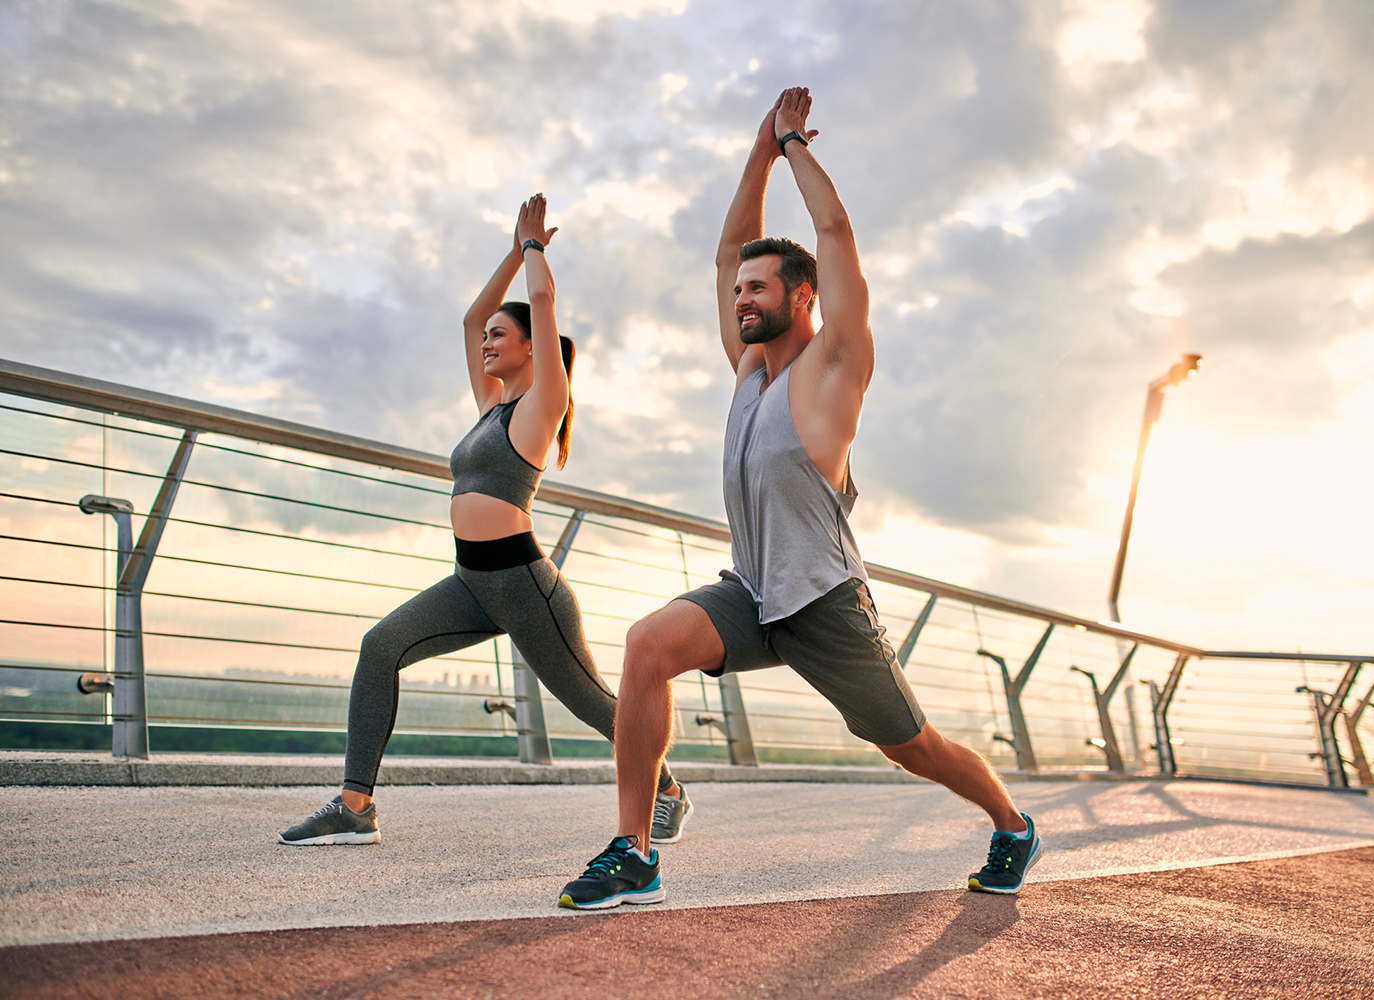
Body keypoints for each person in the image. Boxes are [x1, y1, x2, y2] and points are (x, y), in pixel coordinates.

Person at [557, 90, 1040, 910]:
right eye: (740, 289)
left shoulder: (833, 370)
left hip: (823, 602)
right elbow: (723, 255)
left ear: (803, 296)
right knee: (647, 646)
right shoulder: (749, 372)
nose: (741, 297)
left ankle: (1013, 824)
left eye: (758, 288)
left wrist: (793, 145)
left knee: (913, 748)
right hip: (752, 591)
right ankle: (635, 853)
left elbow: (837, 235)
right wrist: (757, 154)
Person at [279, 194, 691, 847]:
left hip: (527, 589)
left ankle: (668, 789)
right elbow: (473, 317)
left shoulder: (539, 407)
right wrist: (509, 248)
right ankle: (354, 806)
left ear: (533, 348)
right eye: (491, 338)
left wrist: (534, 249)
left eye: (503, 336)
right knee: (380, 647)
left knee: (591, 703)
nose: (489, 342)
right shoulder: (491, 408)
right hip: (471, 582)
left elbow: (546, 306)